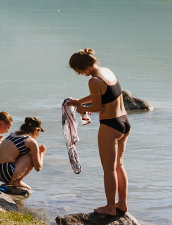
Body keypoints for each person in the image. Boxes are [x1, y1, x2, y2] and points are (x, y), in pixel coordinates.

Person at [67, 48, 130, 216]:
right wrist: (80, 101)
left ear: (84, 67)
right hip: (124, 122)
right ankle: (122, 204)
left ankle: (110, 208)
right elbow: (104, 95)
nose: (79, 74)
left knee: (108, 169)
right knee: (119, 165)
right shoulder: (106, 72)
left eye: (78, 71)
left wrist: (81, 109)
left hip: (110, 126)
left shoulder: (93, 81)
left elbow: (97, 106)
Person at [0, 116, 45, 190]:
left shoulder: (14, 133)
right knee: (32, 154)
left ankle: (10, 181)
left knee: (22, 151)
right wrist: (41, 153)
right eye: (39, 131)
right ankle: (18, 181)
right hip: (5, 174)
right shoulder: (30, 141)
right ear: (36, 129)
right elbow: (38, 167)